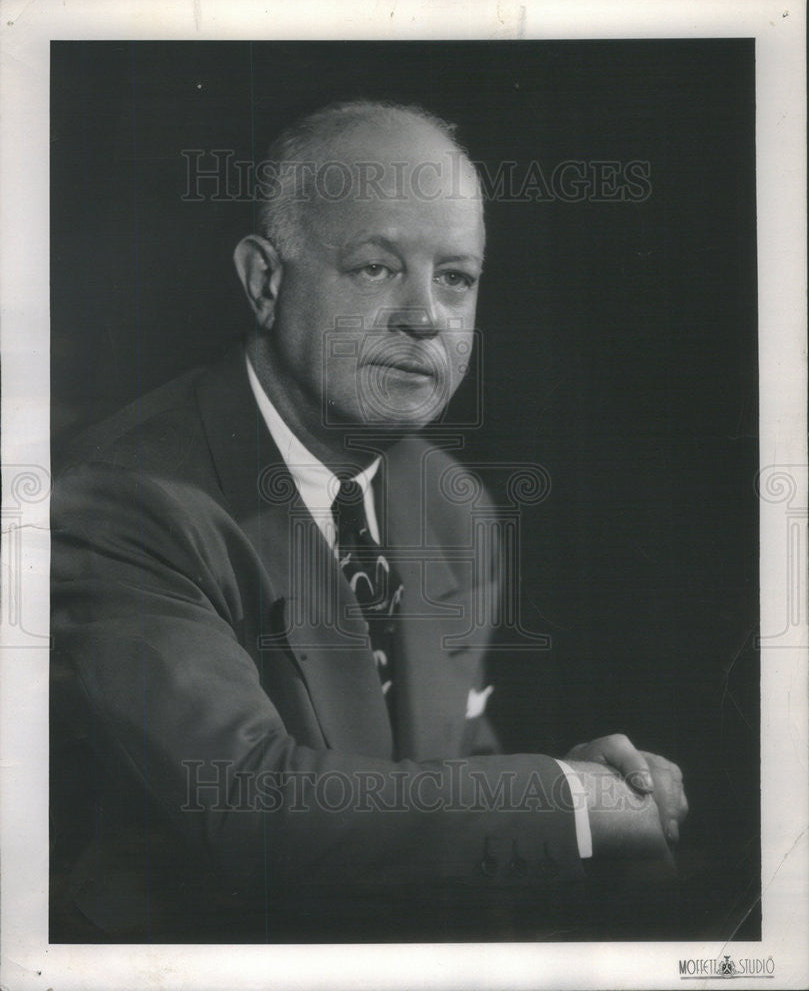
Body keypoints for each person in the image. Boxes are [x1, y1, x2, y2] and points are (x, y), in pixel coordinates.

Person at [50, 100, 688, 943]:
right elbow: (252, 807)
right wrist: (569, 803)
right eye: (377, 269)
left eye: (455, 277)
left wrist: (585, 779)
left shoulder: (452, 506)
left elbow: (443, 776)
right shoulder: (120, 500)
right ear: (264, 281)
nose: (426, 315)